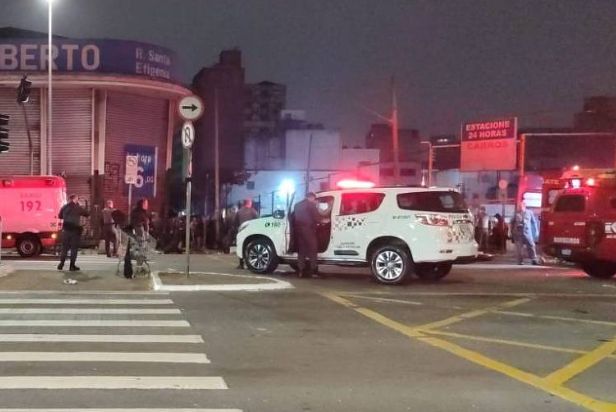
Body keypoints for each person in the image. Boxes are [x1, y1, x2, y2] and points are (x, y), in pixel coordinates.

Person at [57, 194, 90, 271]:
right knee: (74, 249)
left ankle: (61, 264)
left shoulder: (64, 207)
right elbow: (87, 214)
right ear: (75, 199)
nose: (78, 200)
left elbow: (60, 216)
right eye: (77, 199)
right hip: (74, 231)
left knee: (64, 248)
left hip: (66, 230)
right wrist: (81, 206)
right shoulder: (77, 207)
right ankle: (72, 266)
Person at [293, 192, 321, 278]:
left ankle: (301, 271)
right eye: (314, 199)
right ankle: (313, 271)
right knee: (313, 250)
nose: (314, 200)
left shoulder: (297, 205)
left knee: (302, 251)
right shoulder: (311, 205)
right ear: (312, 197)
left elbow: (293, 217)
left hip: (299, 230)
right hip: (309, 230)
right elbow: (317, 218)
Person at [234, 199, 259, 269]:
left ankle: (241, 264)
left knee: (241, 247)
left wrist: (237, 228)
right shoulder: (253, 211)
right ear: (249, 203)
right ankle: (252, 264)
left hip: (241, 231)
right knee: (251, 247)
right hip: (251, 232)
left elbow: (235, 222)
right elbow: (257, 220)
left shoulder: (239, 212)